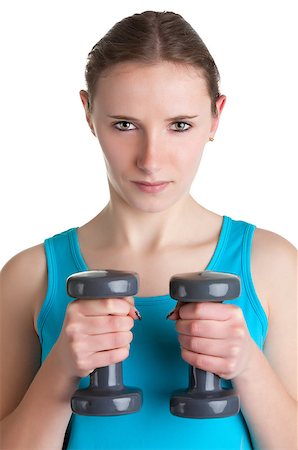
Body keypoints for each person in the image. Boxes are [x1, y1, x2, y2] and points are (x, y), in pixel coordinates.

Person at [0, 10, 297, 450]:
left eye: (180, 125)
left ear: (215, 118)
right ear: (88, 113)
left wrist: (249, 368)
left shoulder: (271, 264)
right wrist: (61, 370)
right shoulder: (30, 276)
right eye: (124, 125)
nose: (151, 159)